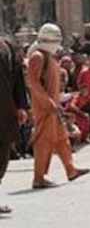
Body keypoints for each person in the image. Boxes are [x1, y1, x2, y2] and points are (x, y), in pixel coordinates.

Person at [27, 24, 90, 188]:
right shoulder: (38, 57)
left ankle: (71, 170)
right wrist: (47, 101)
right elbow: (33, 82)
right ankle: (39, 177)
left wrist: (56, 102)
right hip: (45, 108)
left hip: (53, 107)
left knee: (62, 138)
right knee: (44, 140)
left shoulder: (48, 57)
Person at [0, 37, 28, 214]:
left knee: (3, 154)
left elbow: (18, 78)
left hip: (5, 111)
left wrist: (21, 106)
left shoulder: (8, 46)